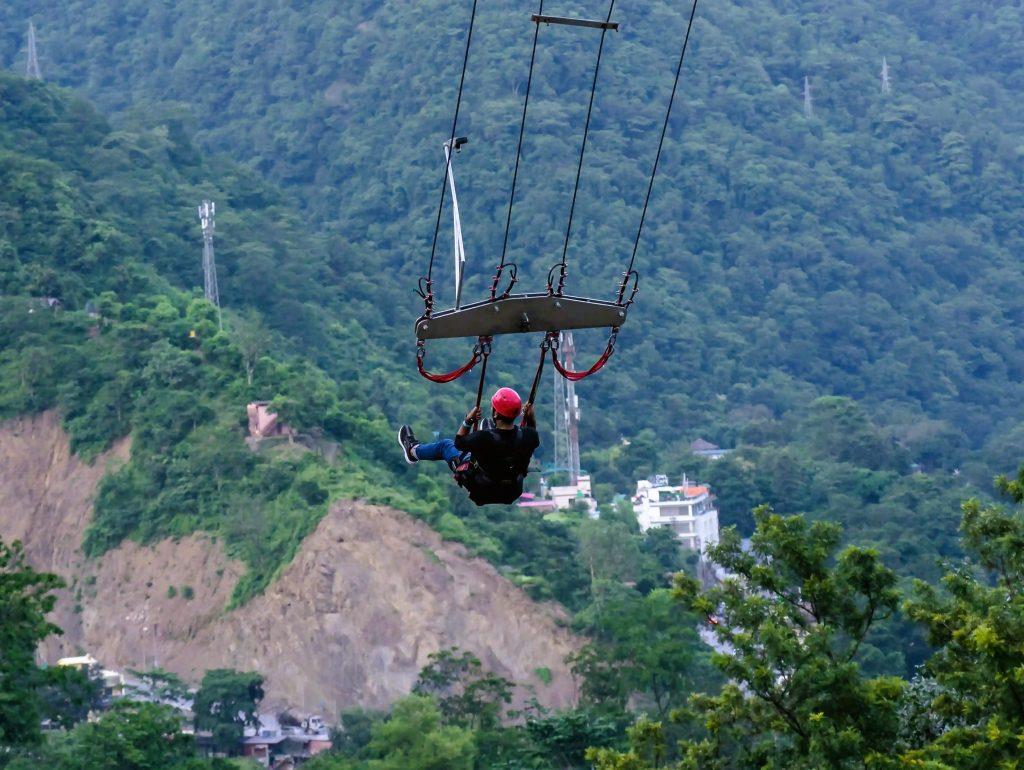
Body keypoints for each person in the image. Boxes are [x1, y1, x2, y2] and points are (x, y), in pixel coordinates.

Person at [398, 387, 540, 506]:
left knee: (445, 446)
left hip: (482, 489)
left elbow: (458, 443)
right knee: (494, 443)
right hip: (510, 491)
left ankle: (412, 451)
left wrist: (468, 421)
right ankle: (492, 431)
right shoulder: (528, 436)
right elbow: (532, 434)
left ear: (496, 413)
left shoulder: (483, 438)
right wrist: (530, 418)